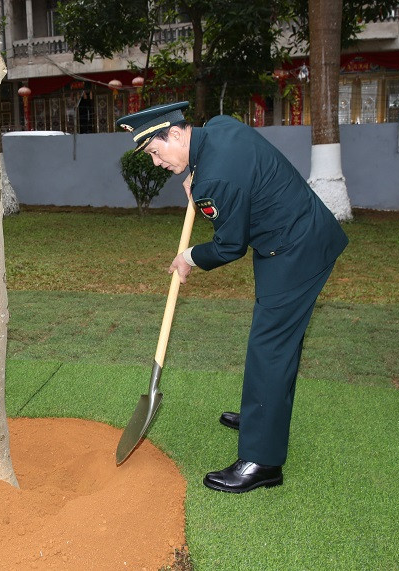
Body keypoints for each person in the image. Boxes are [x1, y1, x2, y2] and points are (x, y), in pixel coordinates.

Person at [118, 101, 348, 493]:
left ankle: (262, 462)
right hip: (292, 236)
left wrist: (189, 256)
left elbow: (229, 246)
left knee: (270, 347)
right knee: (275, 343)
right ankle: (263, 414)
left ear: (175, 134)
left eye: (156, 152)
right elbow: (230, 168)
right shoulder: (218, 126)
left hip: (295, 250)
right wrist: (194, 172)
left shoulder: (216, 180)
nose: (156, 163)